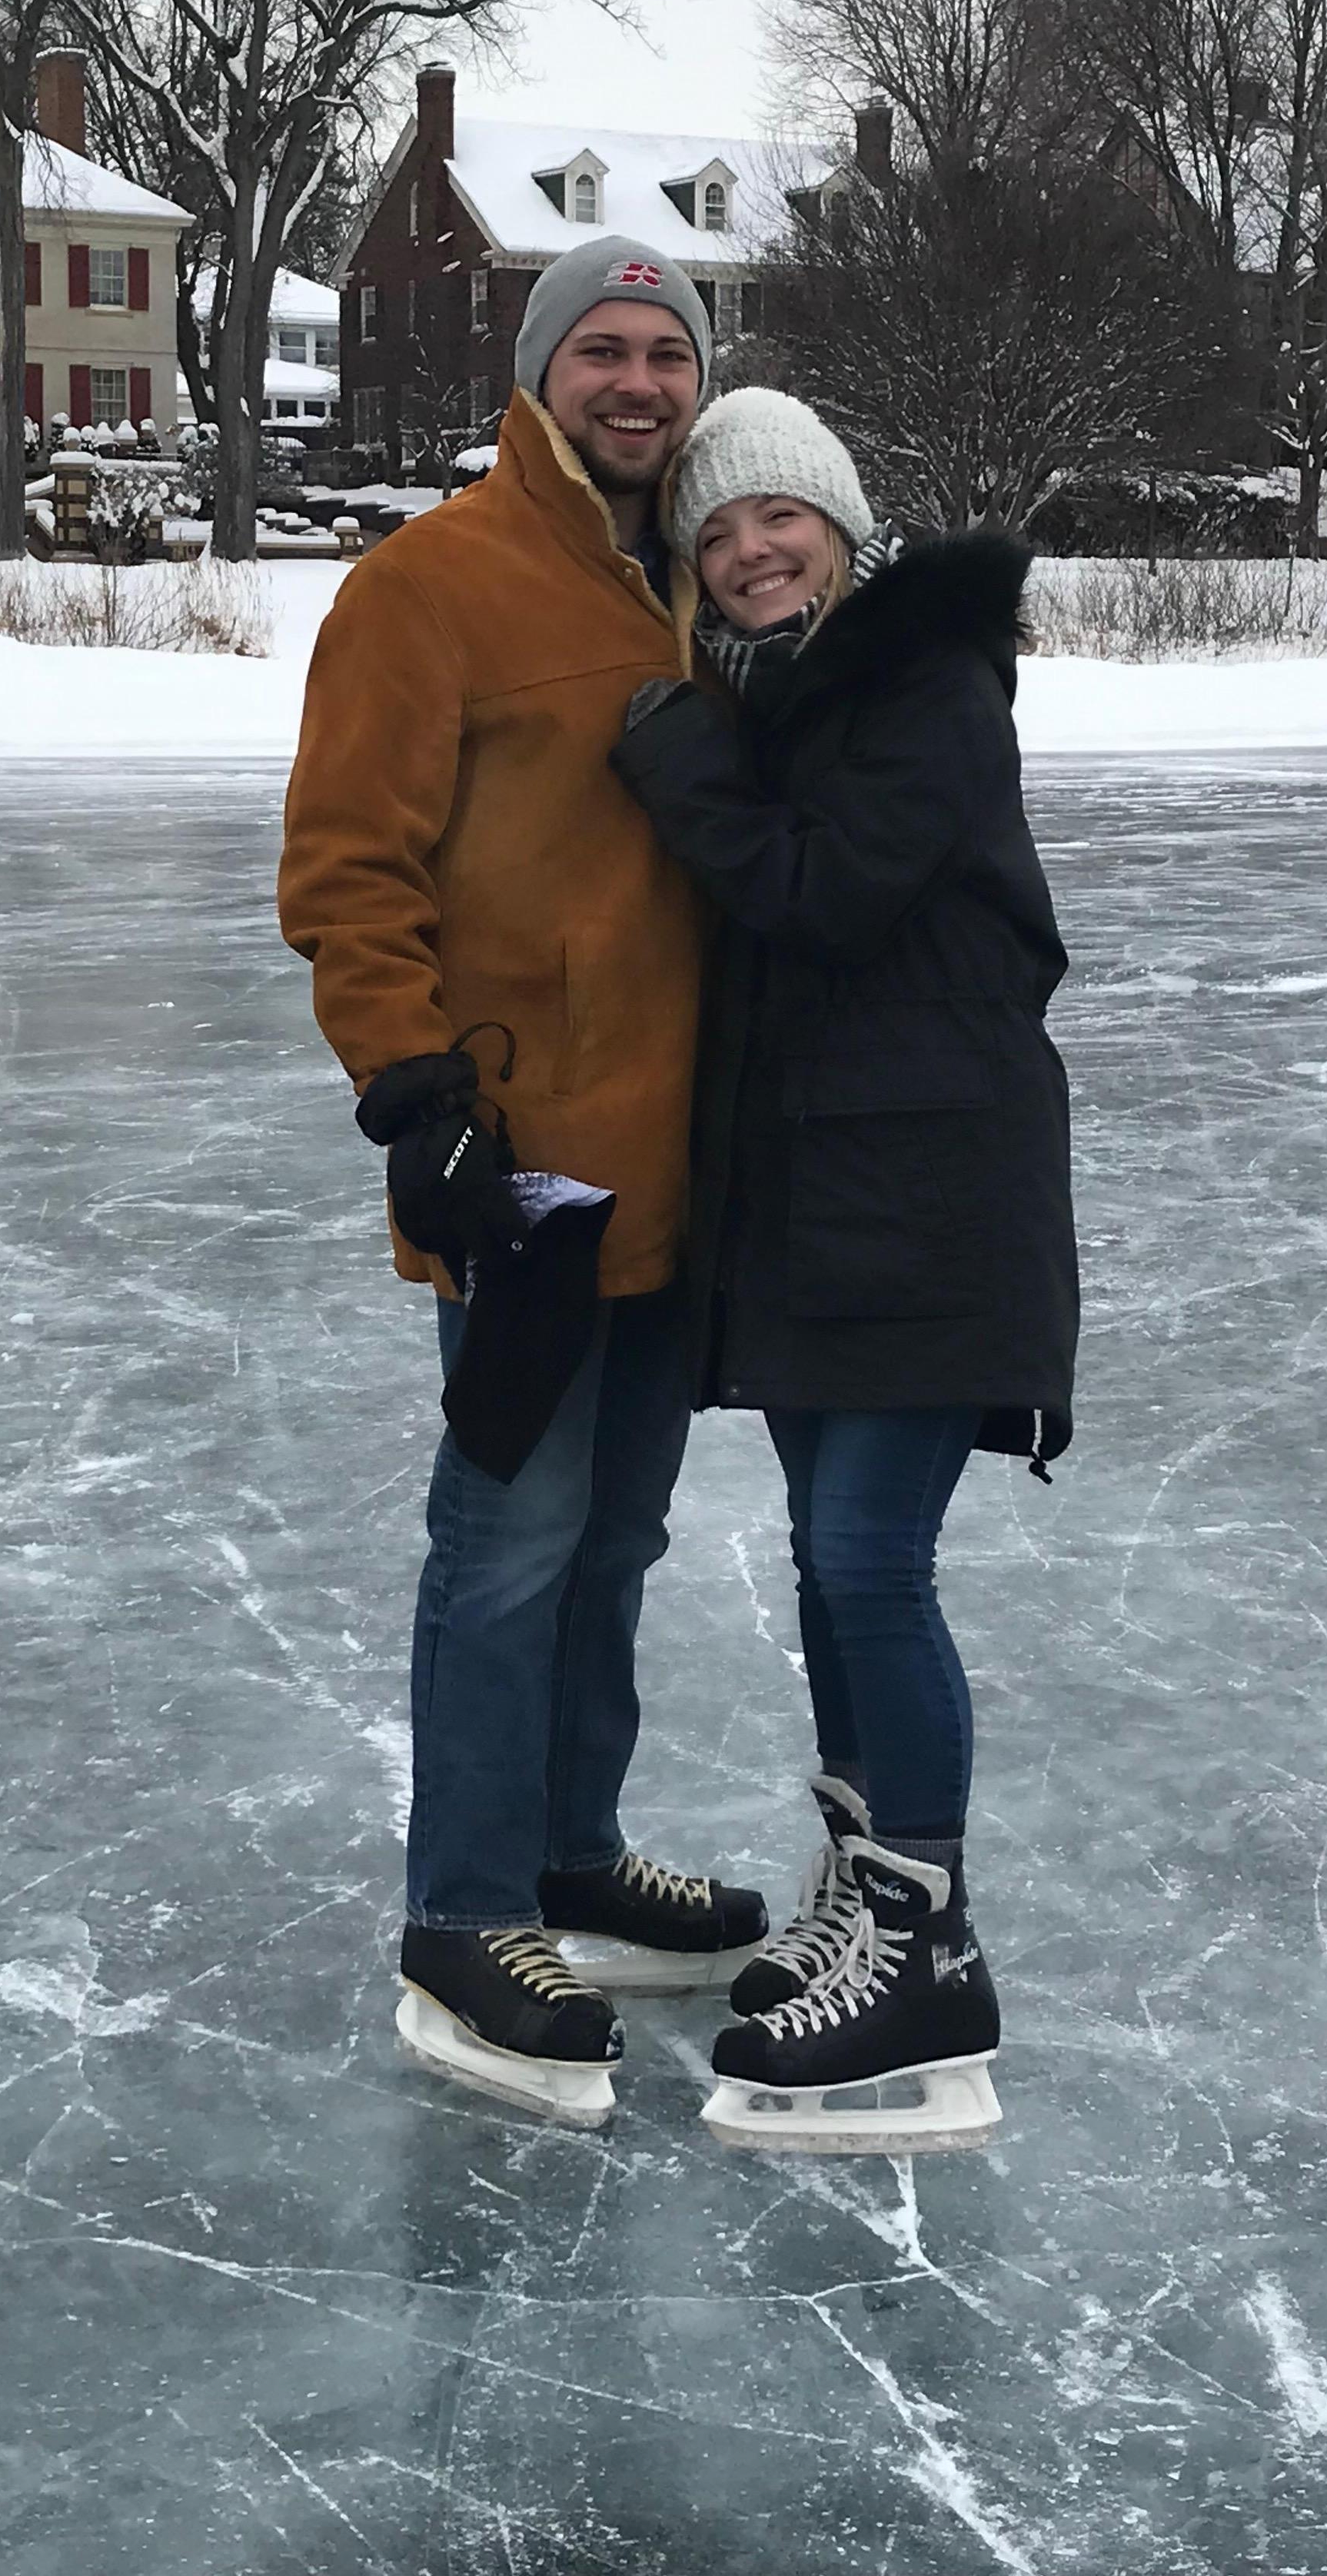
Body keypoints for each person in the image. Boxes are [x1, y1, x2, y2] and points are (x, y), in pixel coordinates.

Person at [278, 241, 770, 2131]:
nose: (638, 383)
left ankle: (575, 1855)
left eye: (667, 354)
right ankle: (468, 1912)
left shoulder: (701, 584)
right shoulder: (432, 587)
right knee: (506, 1551)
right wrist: (416, 1098)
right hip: (526, 1177)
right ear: (542, 378)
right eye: (604, 353)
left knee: (619, 1543)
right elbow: (346, 867)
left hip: (683, 1162)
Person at [611, 389, 1078, 2154]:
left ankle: (927, 1940)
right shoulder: (796, 695)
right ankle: (865, 1892)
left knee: (873, 1560)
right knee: (830, 1567)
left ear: (844, 525)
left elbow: (817, 894)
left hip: (929, 1197)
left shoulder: (923, 683)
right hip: (829, 1207)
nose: (748, 550)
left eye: (779, 519)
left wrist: (678, 768)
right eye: (717, 534)